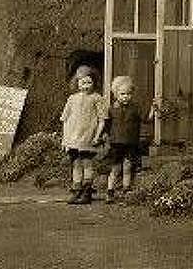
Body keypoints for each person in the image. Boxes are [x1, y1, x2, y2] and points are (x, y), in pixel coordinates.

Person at [60, 65, 107, 205]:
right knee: (75, 164)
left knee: (87, 163)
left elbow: (102, 119)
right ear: (77, 83)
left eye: (89, 82)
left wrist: (97, 135)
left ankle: (87, 191)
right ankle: (76, 190)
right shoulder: (72, 99)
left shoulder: (97, 98)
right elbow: (65, 119)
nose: (86, 86)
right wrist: (65, 139)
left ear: (94, 83)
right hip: (72, 138)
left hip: (88, 137)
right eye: (83, 82)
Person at [105, 75, 142, 203]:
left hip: (131, 142)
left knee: (127, 166)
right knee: (115, 168)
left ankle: (126, 190)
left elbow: (144, 120)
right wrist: (105, 137)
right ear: (116, 94)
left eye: (128, 94)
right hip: (116, 143)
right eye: (122, 94)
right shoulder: (111, 109)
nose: (126, 96)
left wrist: (153, 111)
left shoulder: (135, 108)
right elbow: (106, 125)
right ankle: (110, 191)